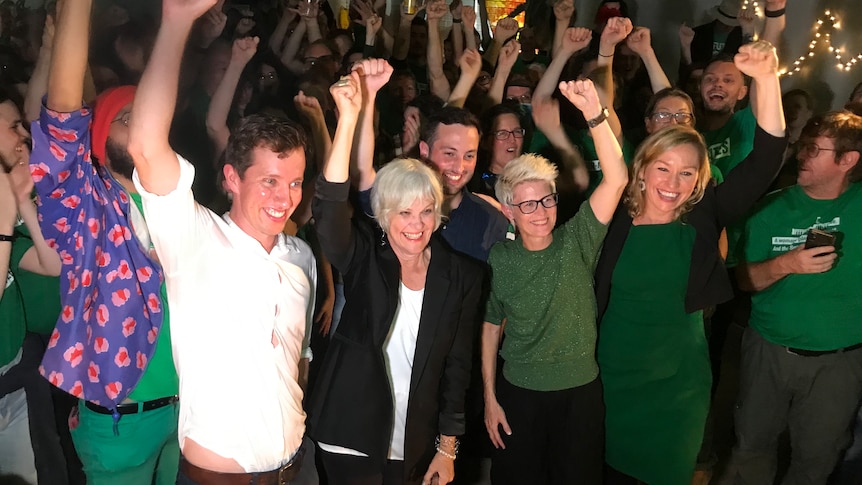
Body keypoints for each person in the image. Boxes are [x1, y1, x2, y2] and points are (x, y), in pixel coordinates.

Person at [127, 0, 317, 483]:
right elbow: (146, 145)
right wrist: (176, 22)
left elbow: (297, 361)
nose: (284, 197)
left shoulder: (300, 257)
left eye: (294, 182)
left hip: (294, 465)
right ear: (231, 178)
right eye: (269, 181)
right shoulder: (195, 239)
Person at [594, 40, 786, 485]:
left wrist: (768, 78)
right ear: (641, 169)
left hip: (677, 387)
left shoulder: (704, 215)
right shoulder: (610, 214)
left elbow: (767, 156)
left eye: (687, 173)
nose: (673, 183)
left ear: (700, 179)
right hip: (610, 377)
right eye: (663, 169)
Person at [308, 71, 485, 485]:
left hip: (414, 441)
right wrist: (348, 119)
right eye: (403, 212)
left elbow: (457, 370)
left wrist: (448, 449)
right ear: (384, 215)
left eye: (425, 211)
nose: (415, 224)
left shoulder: (462, 275)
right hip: (349, 434)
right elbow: (329, 212)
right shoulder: (366, 257)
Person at [28, 1, 180, 482]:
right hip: (121, 425)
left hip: (189, 415)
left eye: (145, 115)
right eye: (125, 116)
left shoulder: (180, 202)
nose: (140, 124)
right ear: (97, 139)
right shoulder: (87, 210)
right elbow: (63, 116)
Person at [482, 78, 628, 484]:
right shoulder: (500, 258)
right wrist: (490, 398)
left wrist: (595, 115)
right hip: (519, 394)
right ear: (509, 211)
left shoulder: (577, 238)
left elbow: (616, 180)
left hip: (579, 393)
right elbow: (491, 326)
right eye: (527, 203)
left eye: (546, 199)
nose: (541, 211)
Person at [727, 110, 862, 484]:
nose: (802, 155)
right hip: (768, 352)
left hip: (840, 363)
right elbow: (744, 281)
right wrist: (787, 263)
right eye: (803, 146)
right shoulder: (769, 208)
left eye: (814, 149)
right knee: (751, 446)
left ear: (847, 160)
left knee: (817, 456)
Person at [0, 94, 61, 485]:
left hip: (14, 366)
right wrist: (7, 212)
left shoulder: (8, 200)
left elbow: (51, 264)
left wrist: (23, 205)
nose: (24, 133)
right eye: (13, 127)